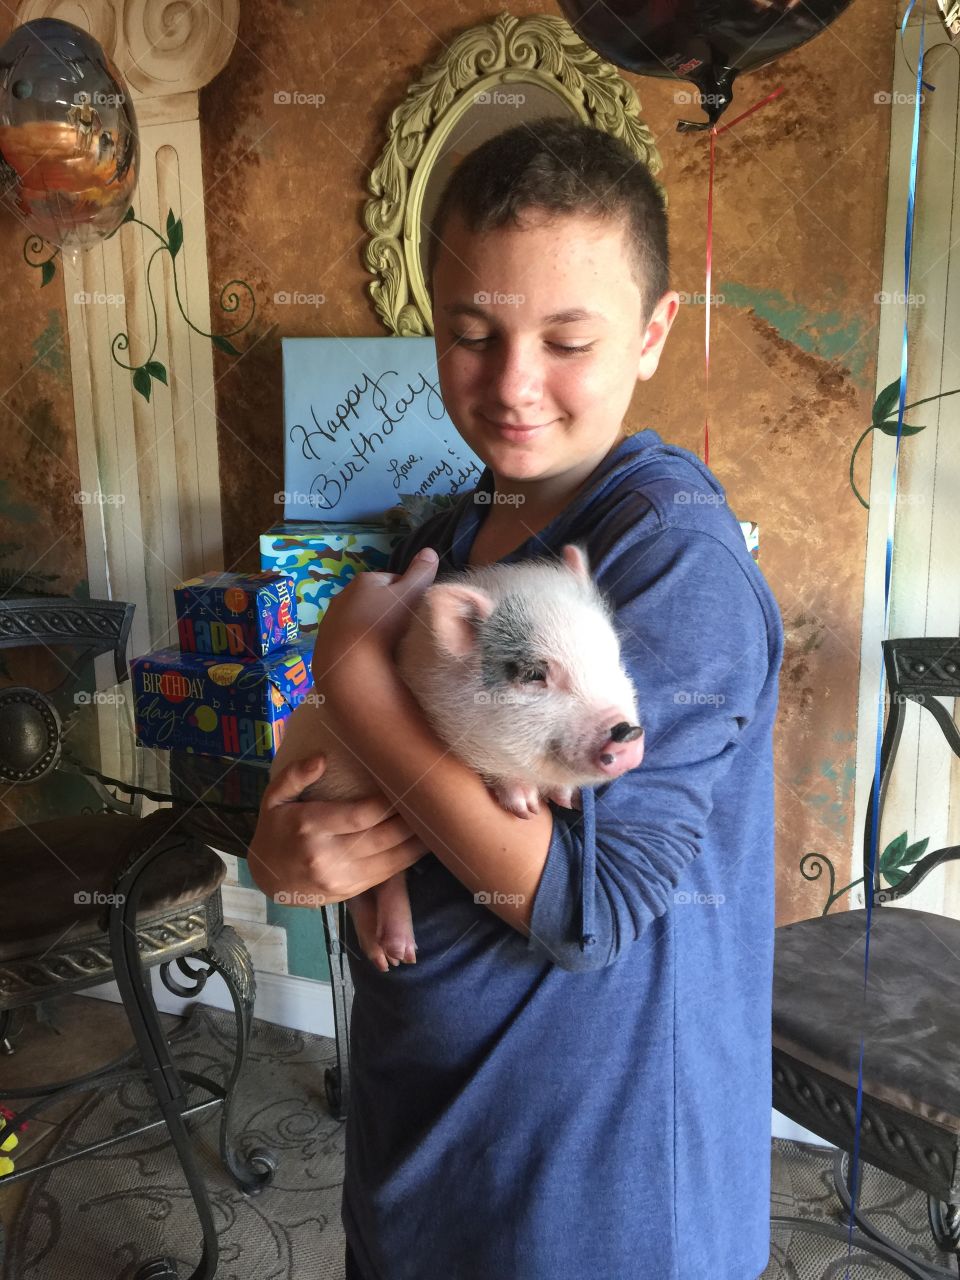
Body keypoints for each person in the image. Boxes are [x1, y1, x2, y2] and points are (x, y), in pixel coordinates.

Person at [248, 117, 784, 1280]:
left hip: (597, 1200)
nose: (513, 384)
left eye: (569, 338)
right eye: (472, 334)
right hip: (427, 1153)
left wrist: (346, 670)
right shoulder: (451, 537)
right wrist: (289, 849)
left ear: (651, 335)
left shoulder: (670, 560)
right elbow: (344, 775)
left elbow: (589, 910)